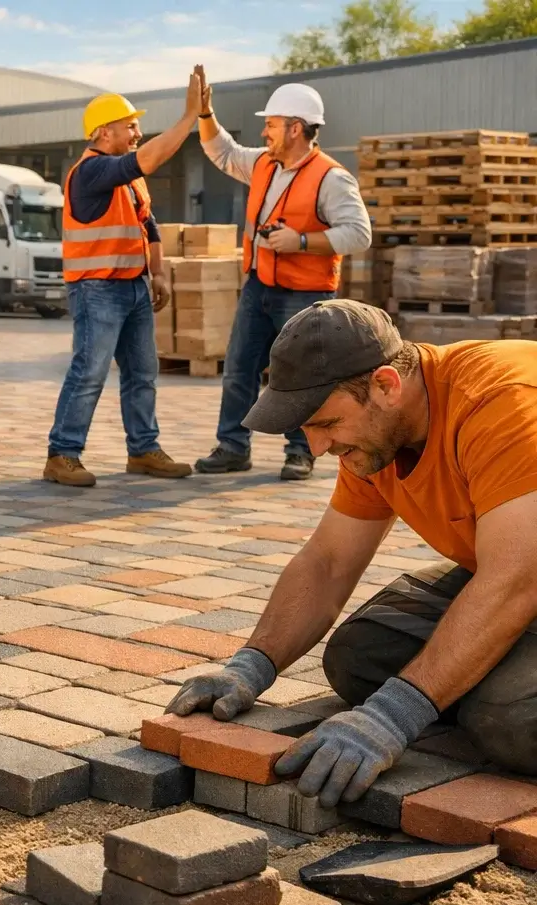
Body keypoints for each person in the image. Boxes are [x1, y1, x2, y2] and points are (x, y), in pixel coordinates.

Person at [166, 300, 537, 808]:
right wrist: (249, 666)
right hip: (511, 566)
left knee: (510, 718)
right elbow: (328, 561)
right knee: (359, 658)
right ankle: (489, 665)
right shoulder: (379, 431)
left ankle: (490, 683)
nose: (317, 448)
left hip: (521, 571)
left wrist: (396, 714)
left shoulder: (503, 404)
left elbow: (516, 579)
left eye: (325, 423)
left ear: (386, 385)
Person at [192, 77, 372, 481]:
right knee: (239, 367)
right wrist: (205, 114)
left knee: (299, 375)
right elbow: (222, 152)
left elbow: (360, 234)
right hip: (259, 285)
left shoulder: (332, 177)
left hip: (305, 293)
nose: (263, 132)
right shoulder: (262, 164)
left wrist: (302, 240)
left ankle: (300, 451)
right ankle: (232, 447)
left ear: (295, 127)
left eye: (271, 124)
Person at [44, 68, 206, 488]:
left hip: (132, 287)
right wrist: (189, 117)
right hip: (97, 288)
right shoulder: (92, 171)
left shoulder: (128, 181)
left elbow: (148, 225)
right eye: (130, 125)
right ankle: (62, 455)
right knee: (90, 370)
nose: (137, 131)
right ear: (103, 133)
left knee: (143, 371)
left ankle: (143, 450)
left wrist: (158, 274)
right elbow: (150, 156)